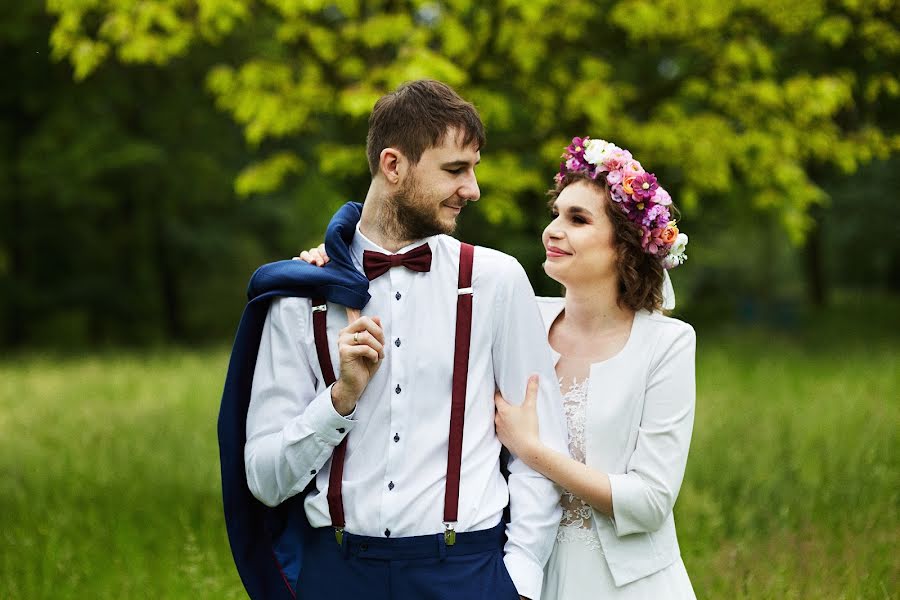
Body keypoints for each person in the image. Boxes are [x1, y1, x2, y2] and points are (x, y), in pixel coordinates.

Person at [299, 136, 696, 599]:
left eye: (578, 219)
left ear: (625, 247)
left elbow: (650, 502)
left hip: (625, 582)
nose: (552, 230)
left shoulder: (667, 343)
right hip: (523, 570)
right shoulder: (522, 312)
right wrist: (335, 259)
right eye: (556, 214)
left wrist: (534, 450)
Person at [245, 79, 569, 600]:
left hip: (467, 574)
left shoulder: (496, 281)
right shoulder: (301, 293)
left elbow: (540, 446)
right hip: (336, 575)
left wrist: (520, 580)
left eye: (474, 168)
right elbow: (263, 479)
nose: (473, 189)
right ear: (394, 166)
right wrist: (339, 400)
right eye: (454, 169)